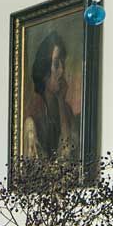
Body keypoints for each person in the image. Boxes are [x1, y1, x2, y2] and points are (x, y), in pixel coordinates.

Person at [23, 30, 80, 160]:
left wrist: (60, 101)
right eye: (56, 64)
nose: (62, 70)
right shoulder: (32, 119)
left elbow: (70, 157)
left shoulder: (67, 112)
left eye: (62, 63)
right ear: (44, 71)